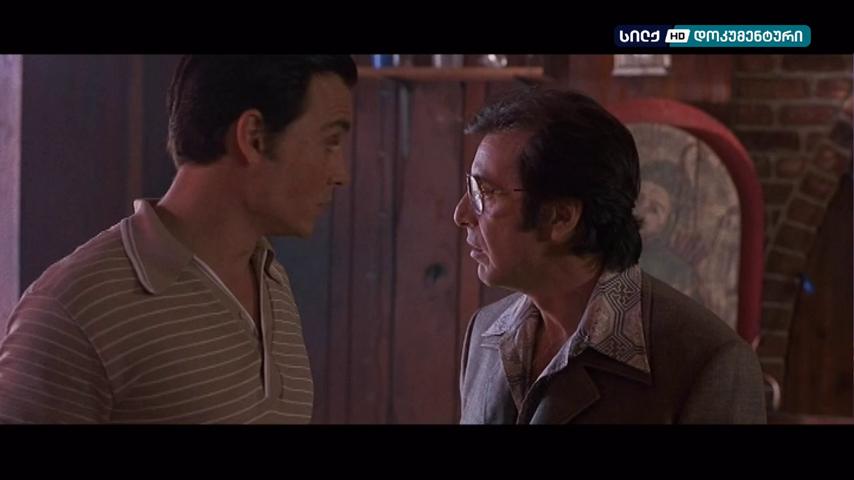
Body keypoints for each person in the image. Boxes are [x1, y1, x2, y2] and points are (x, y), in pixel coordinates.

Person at [0, 55, 356, 423]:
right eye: (330, 142)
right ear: (253, 137)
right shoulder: (74, 310)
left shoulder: (271, 279)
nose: (341, 174)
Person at [453, 88, 766, 424]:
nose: (461, 214)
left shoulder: (708, 364)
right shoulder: (484, 333)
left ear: (561, 218)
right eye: (472, 186)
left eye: (486, 192)